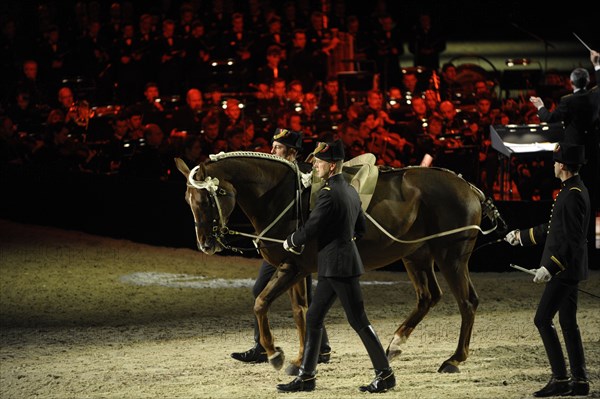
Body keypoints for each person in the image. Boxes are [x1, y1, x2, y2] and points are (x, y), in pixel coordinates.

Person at [276, 140, 395, 393]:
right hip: (335, 264)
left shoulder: (329, 194)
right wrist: (342, 241)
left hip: (339, 266)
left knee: (358, 320)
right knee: (314, 317)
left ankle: (385, 374)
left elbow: (313, 226)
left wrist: (292, 240)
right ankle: (307, 377)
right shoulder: (351, 191)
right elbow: (360, 229)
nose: (315, 166)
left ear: (331, 167)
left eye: (318, 162)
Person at [231, 128, 332, 365]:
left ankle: (321, 348)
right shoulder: (274, 175)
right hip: (279, 249)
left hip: (299, 249)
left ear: (292, 152)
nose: (272, 151)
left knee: (303, 302)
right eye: (273, 145)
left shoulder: (305, 174)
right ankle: (262, 345)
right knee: (262, 289)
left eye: (277, 147)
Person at [504, 142, 590, 397]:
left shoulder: (572, 193)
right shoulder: (571, 189)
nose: (553, 166)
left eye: (555, 162)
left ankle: (562, 379)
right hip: (568, 269)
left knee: (542, 320)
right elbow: (554, 230)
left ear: (562, 165)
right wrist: (522, 237)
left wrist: (551, 267)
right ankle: (580, 381)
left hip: (564, 270)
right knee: (567, 323)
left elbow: (572, 239)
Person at [529, 49, 600, 268]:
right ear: (587, 81)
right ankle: (589, 246)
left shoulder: (568, 100)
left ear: (571, 83)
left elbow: (550, 118)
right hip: (593, 153)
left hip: (573, 155)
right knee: (590, 197)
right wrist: (597, 64)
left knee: (573, 196)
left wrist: (540, 107)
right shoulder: (595, 94)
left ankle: (571, 243)